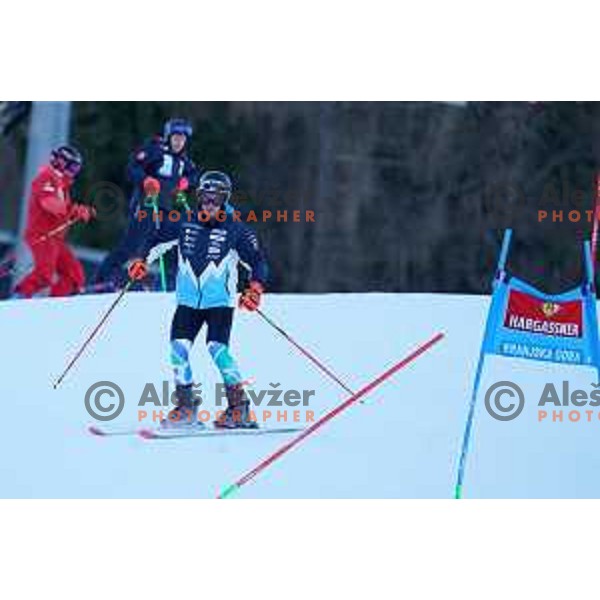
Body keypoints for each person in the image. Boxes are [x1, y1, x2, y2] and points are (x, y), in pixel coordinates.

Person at [129, 171, 268, 430]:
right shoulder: (183, 222)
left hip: (219, 303)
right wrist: (140, 260)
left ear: (224, 199)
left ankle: (239, 409)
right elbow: (154, 239)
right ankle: (186, 407)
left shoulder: (236, 229)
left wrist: (255, 288)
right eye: (205, 197)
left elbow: (258, 261)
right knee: (178, 349)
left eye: (215, 199)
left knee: (218, 349)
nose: (209, 203)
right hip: (187, 302)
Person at [94, 118, 199, 289]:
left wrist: (186, 182)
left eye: (182, 139)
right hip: (146, 206)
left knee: (176, 242)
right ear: (168, 137)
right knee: (132, 246)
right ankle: (102, 280)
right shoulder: (155, 150)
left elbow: (195, 175)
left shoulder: (183, 161)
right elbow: (132, 168)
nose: (179, 142)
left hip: (166, 210)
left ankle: (169, 284)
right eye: (176, 138)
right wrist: (146, 179)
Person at [13, 145, 94, 299]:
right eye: (72, 167)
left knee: (74, 275)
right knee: (44, 275)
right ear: (61, 162)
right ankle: (19, 296)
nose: (73, 172)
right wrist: (73, 210)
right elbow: (48, 203)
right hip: (41, 234)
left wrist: (78, 211)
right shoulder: (46, 177)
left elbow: (61, 208)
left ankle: (55, 305)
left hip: (55, 238)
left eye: (76, 169)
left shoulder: (62, 184)